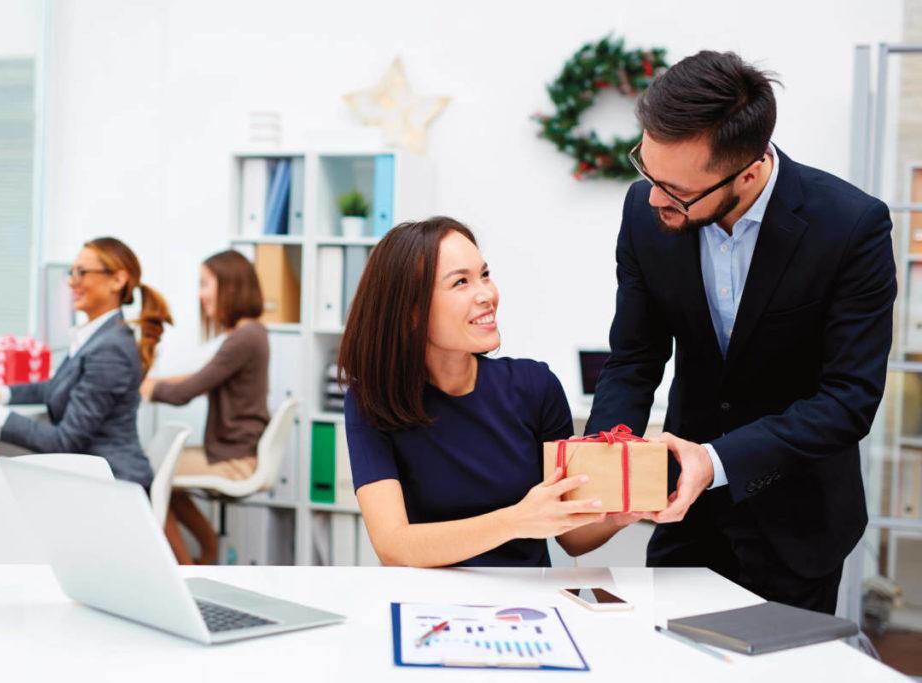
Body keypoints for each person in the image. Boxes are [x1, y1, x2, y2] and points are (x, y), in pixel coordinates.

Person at [585, 51, 896, 613]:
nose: (656, 197)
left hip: (798, 525)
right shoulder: (644, 212)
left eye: (676, 190)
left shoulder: (852, 227)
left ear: (748, 172)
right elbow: (634, 357)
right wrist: (609, 459)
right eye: (647, 171)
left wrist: (717, 460)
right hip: (683, 519)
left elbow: (848, 400)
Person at [339, 216, 632, 568]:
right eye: (461, 282)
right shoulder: (372, 402)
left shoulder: (535, 386)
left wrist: (619, 515)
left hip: (527, 604)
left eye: (485, 275)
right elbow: (394, 545)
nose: (487, 294)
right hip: (428, 603)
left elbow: (570, 536)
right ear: (411, 311)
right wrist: (516, 520)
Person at [0, 237, 172, 562]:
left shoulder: (109, 349)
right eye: (72, 272)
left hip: (111, 486)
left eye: (83, 272)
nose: (72, 282)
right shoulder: (97, 337)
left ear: (117, 280)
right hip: (93, 478)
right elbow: (53, 387)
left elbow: (67, 441)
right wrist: (0, 393)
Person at [141, 250, 269, 565]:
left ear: (230, 287)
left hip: (234, 459)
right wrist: (152, 382)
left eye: (205, 284)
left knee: (146, 476)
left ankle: (186, 573)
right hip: (235, 449)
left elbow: (187, 391)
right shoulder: (251, 333)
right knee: (162, 471)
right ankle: (208, 548)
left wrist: (148, 387)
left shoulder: (243, 339)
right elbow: (203, 376)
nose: (200, 295)